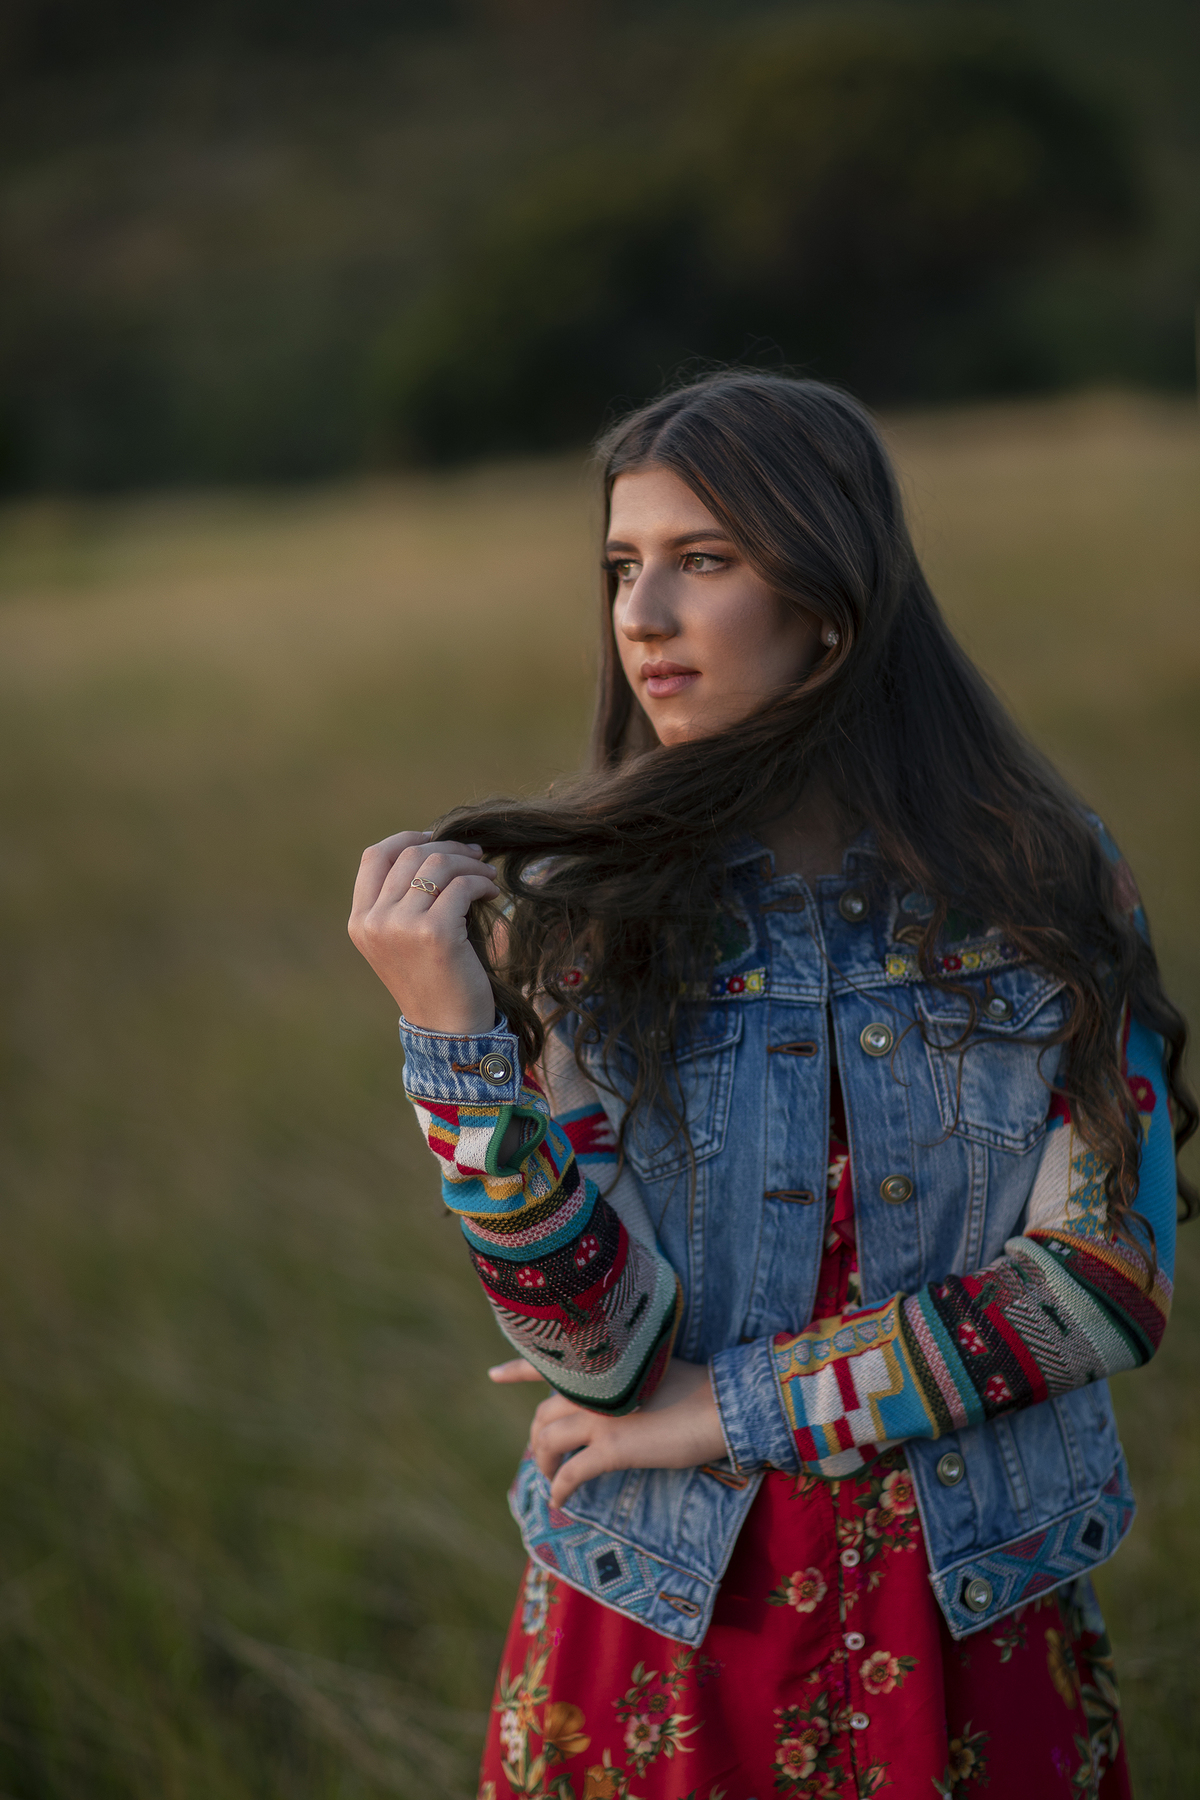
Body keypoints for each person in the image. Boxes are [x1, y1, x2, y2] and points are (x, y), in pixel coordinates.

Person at [348, 374, 1193, 1800]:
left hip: (973, 1605)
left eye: (705, 560)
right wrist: (454, 1045)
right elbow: (596, 1356)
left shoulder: (1046, 884)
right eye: (623, 567)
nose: (641, 615)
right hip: (665, 1615)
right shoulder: (574, 912)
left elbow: (1109, 1284)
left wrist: (725, 1411)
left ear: (831, 597)